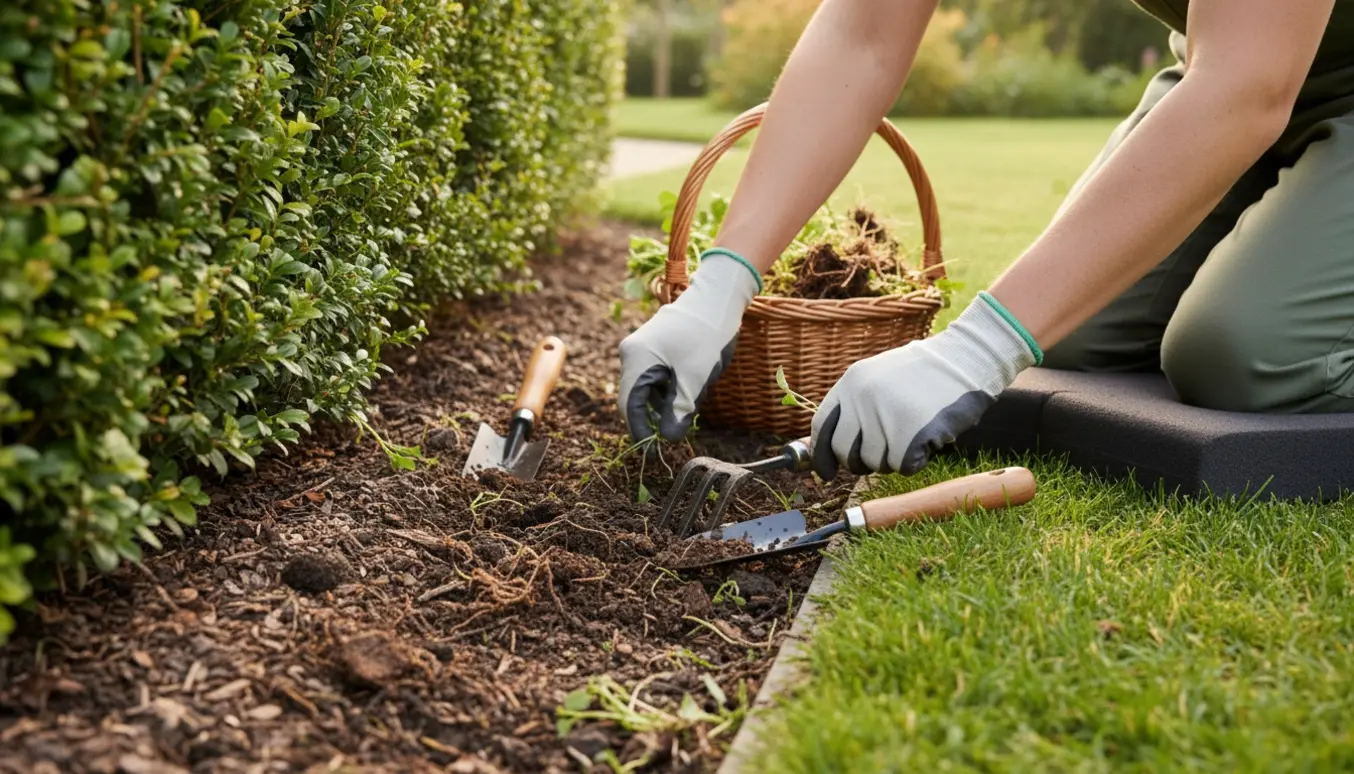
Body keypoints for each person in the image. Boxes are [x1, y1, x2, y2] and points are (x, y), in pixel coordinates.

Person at [618, 0, 1354, 481]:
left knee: (1242, 354)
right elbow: (864, 32)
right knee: (1074, 333)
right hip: (1225, 76)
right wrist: (723, 281)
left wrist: (977, 348)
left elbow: (1248, 86)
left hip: (1247, 83)